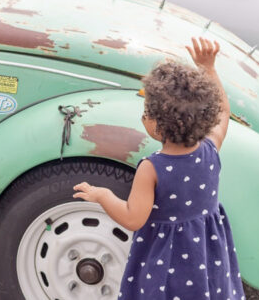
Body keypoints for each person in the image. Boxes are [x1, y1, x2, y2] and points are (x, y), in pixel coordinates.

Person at [73, 37, 245, 300]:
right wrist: (208, 68)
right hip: (207, 256)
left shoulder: (152, 168)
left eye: (146, 112)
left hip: (169, 262)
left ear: (160, 125)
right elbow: (223, 111)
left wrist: (102, 195)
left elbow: (133, 218)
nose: (143, 117)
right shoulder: (211, 148)